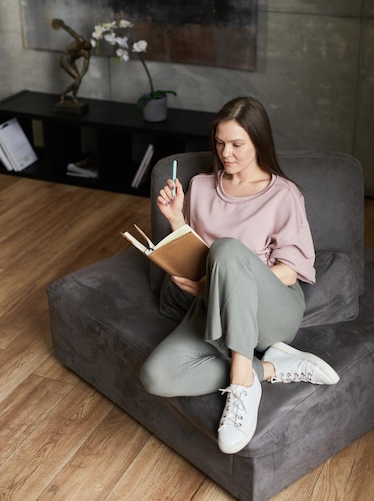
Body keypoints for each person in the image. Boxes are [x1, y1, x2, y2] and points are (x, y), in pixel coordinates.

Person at [140, 96, 339, 455]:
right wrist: (175, 220)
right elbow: (198, 253)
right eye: (219, 143)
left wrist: (224, 283)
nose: (225, 153)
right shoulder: (200, 187)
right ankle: (269, 369)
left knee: (228, 249)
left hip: (272, 311)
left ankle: (240, 380)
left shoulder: (283, 194)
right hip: (210, 306)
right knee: (155, 376)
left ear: (258, 142)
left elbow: (290, 272)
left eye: (236, 144)